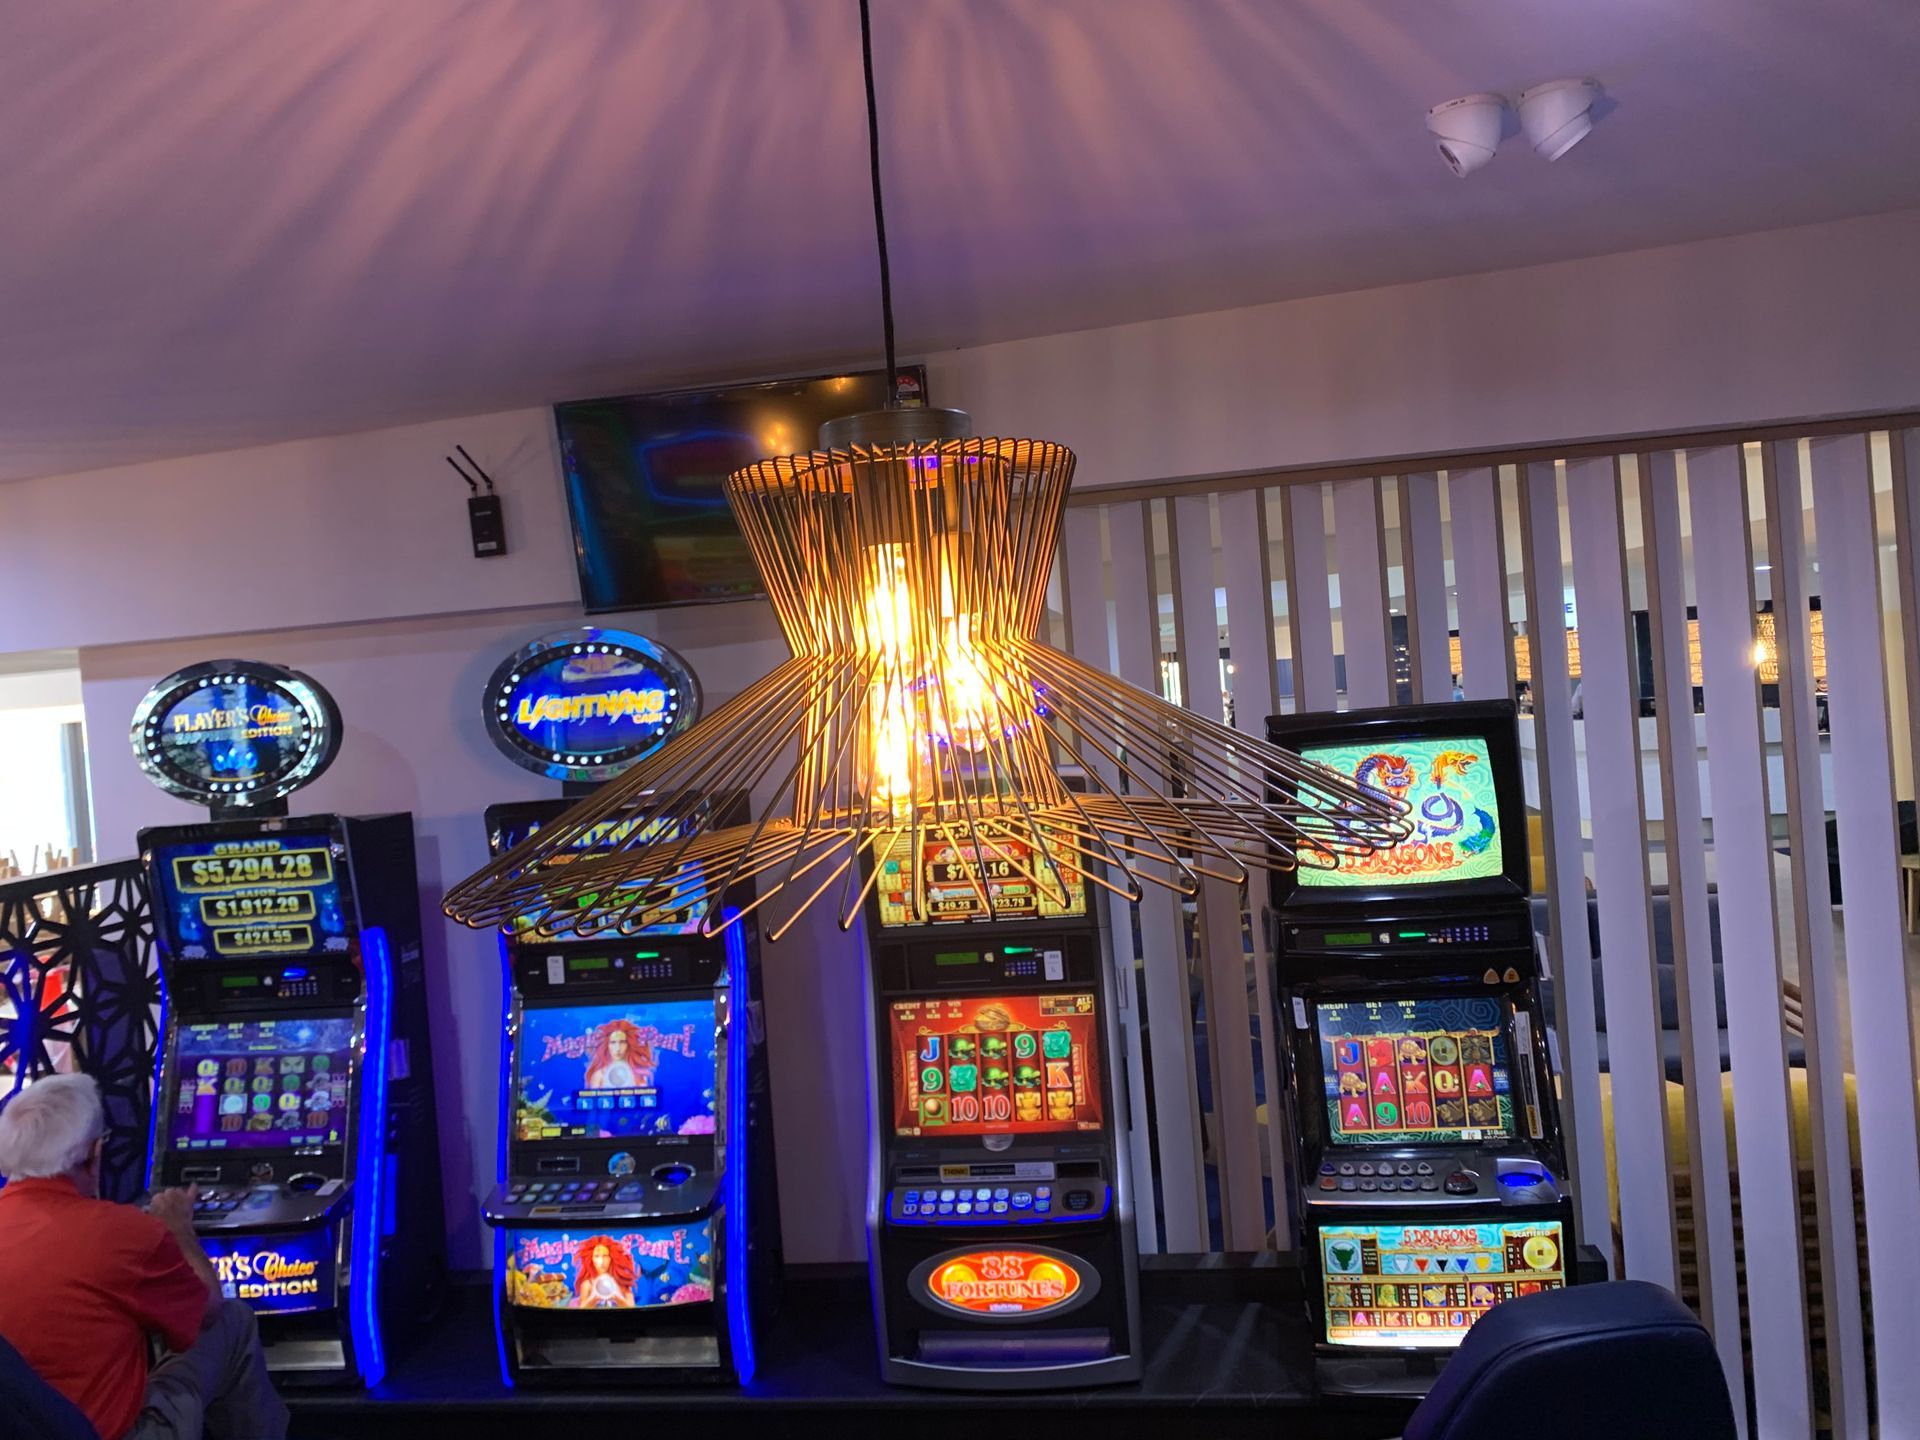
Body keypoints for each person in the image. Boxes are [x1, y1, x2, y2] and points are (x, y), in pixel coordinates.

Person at [0, 1075, 288, 1440]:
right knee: (233, 1319)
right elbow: (207, 1311)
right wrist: (179, 1229)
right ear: (93, 1154)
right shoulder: (123, 1232)